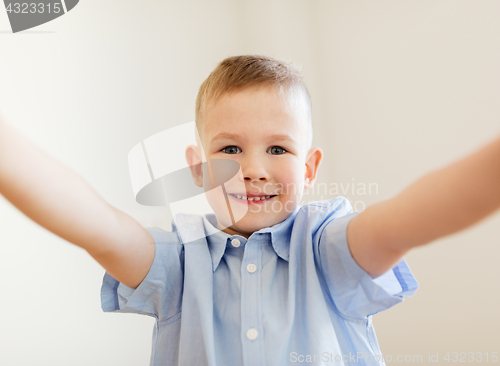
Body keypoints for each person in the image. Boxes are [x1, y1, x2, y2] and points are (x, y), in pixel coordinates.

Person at [0, 55, 499, 366]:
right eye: (230, 150)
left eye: (278, 150)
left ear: (309, 169)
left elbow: (411, 216)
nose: (254, 169)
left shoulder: (327, 248)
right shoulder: (177, 263)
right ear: (197, 169)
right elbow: (95, 224)